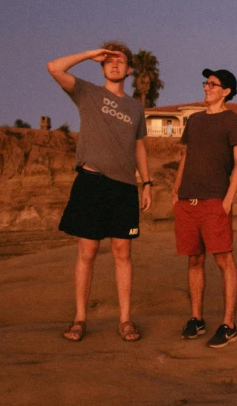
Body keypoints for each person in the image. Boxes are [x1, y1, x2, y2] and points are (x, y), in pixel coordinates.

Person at [46, 42, 152, 342]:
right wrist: (90, 53)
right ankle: (79, 319)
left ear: (129, 69)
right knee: (87, 251)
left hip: (124, 187)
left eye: (121, 61)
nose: (115, 65)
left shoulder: (135, 107)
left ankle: (125, 320)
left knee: (123, 252)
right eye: (109, 61)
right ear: (102, 66)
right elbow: (53, 67)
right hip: (91, 182)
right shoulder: (88, 93)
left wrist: (147, 183)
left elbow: (139, 146)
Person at [173, 69, 237, 348]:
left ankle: (229, 324)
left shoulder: (234, 121)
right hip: (187, 201)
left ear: (226, 91)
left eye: (213, 84)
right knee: (194, 259)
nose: (207, 88)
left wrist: (228, 200)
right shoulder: (194, 120)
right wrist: (176, 190)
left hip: (215, 201)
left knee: (223, 260)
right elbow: (186, 155)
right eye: (206, 83)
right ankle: (196, 318)